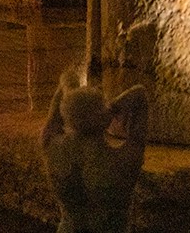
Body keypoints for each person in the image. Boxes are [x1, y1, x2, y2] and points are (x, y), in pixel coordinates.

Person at [41, 74, 148, 233]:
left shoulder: (50, 145)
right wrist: (112, 108)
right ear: (105, 119)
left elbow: (58, 105)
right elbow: (140, 94)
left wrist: (68, 89)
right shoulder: (123, 161)